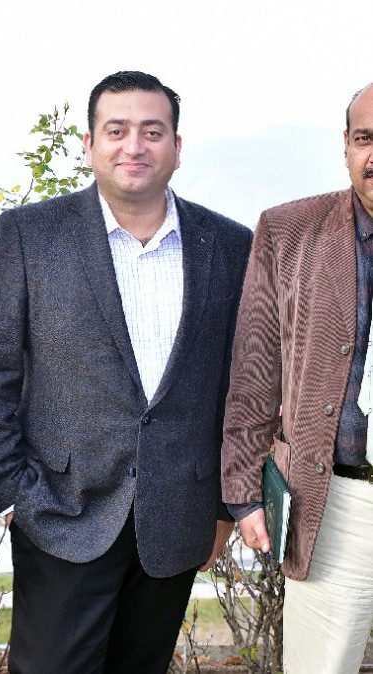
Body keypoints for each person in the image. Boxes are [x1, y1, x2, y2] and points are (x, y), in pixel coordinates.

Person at [0, 70, 252, 674]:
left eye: (152, 131)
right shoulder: (30, 236)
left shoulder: (229, 245)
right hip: (59, 516)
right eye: (116, 130)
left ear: (177, 147)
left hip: (176, 521)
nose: (134, 146)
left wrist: (225, 506)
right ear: (88, 144)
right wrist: (10, 496)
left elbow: (239, 388)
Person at [221, 82, 373, 673]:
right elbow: (254, 373)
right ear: (345, 145)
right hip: (335, 505)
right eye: (366, 139)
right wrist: (242, 491)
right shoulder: (288, 232)